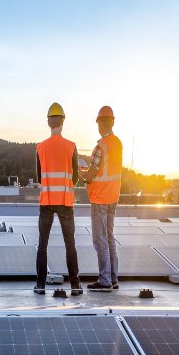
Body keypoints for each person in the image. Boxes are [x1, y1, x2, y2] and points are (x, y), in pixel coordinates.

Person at [34, 102, 82, 296]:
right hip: (65, 202)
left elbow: (39, 177)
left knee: (42, 245)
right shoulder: (71, 147)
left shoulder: (40, 147)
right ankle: (75, 285)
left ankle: (40, 284)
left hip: (46, 202)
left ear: (48, 123)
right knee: (70, 245)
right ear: (63, 122)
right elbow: (76, 177)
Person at [80, 105, 123, 292]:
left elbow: (90, 175)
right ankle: (113, 278)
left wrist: (78, 170)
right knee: (110, 238)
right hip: (113, 197)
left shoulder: (100, 147)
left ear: (99, 124)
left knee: (100, 240)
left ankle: (104, 280)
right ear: (112, 122)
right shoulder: (118, 143)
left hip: (100, 199)